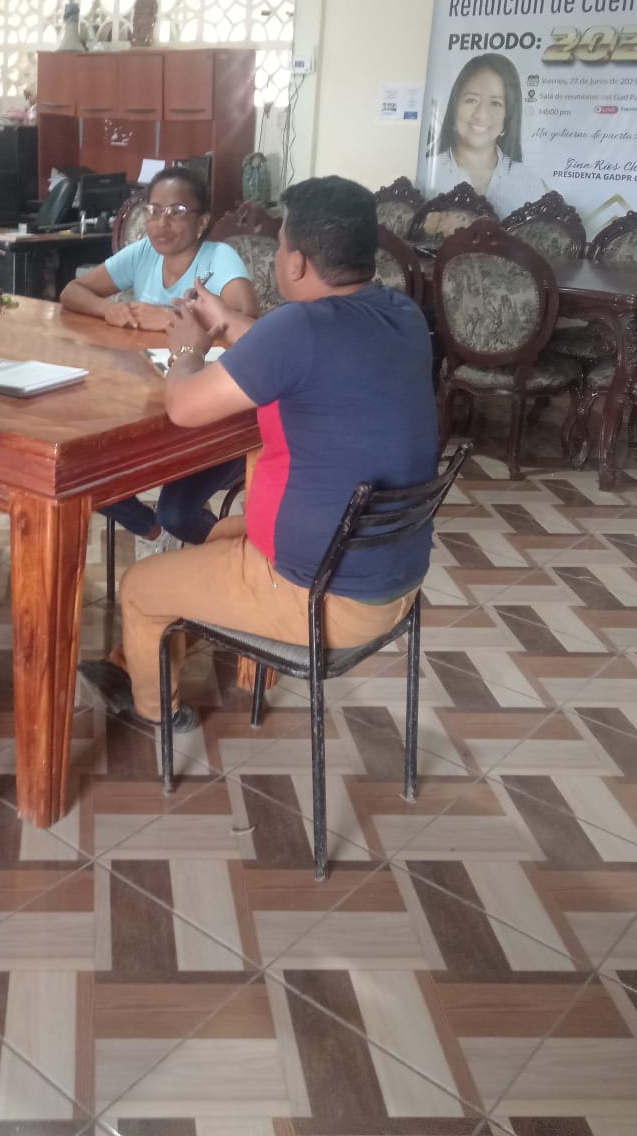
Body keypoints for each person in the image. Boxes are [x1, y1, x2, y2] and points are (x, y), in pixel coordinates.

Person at [78, 176, 438, 731]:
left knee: (140, 587)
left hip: (318, 593)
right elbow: (294, 352)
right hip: (391, 576)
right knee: (217, 535)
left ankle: (157, 713)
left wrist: (185, 350)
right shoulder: (401, 313)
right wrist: (223, 320)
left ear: (295, 263)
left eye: (281, 245)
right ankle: (145, 655)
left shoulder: (299, 328)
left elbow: (185, 406)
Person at [60, 166, 259, 549]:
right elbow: (72, 291)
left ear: (202, 221)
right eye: (153, 211)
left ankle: (228, 558)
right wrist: (108, 309)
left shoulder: (219, 257)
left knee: (178, 512)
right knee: (79, 469)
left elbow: (247, 319)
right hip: (149, 404)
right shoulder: (143, 253)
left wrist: (169, 317)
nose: (161, 223)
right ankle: (153, 531)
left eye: (176, 212)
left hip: (212, 411)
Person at [427, 53, 546, 216]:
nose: (481, 114)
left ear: (508, 117)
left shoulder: (531, 184)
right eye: (471, 100)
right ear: (454, 107)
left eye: (495, 103)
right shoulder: (428, 174)